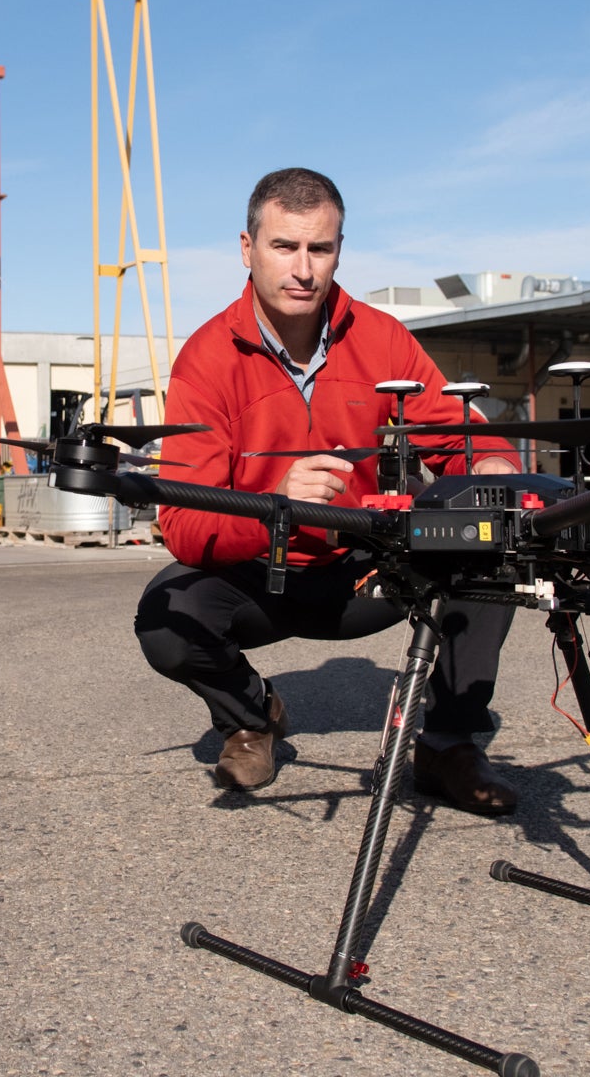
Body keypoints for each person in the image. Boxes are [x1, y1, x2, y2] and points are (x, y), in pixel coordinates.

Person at [134, 168, 522, 814]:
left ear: (339, 248)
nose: (304, 269)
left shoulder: (382, 337)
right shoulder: (206, 359)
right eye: (285, 246)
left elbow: (454, 437)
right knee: (168, 621)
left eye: (321, 248)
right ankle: (252, 717)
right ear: (247, 248)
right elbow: (182, 523)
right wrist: (276, 506)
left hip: (373, 570)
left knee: (492, 537)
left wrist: (490, 466)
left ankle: (448, 746)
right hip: (265, 573)